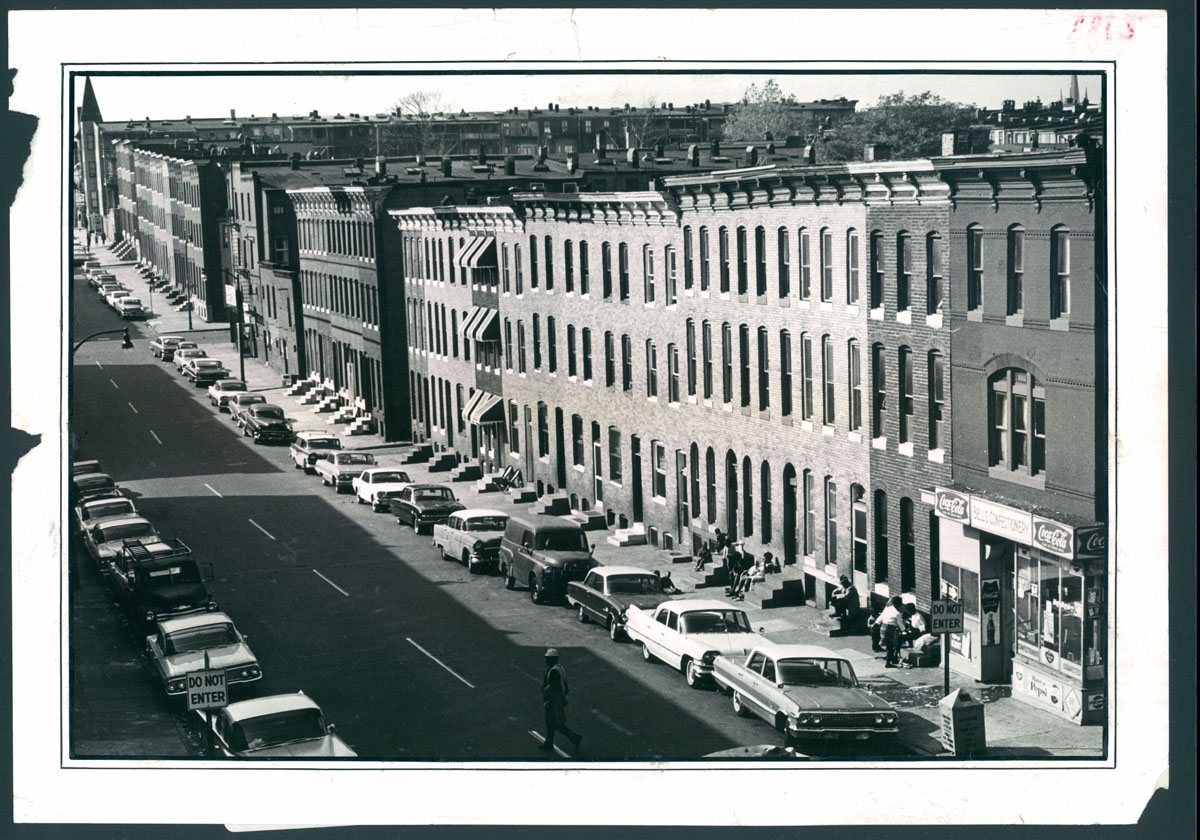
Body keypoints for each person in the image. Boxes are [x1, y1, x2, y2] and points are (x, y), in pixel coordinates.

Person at [539, 649, 582, 755]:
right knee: (551, 723)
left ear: (552, 659)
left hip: (553, 702)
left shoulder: (553, 671)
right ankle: (548, 743)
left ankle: (575, 738)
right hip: (558, 700)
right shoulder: (560, 669)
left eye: (547, 658)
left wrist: (548, 701)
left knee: (556, 723)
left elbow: (554, 688)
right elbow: (565, 686)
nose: (545, 660)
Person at [877, 596, 906, 667]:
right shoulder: (897, 613)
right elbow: (900, 624)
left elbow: (881, 617)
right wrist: (905, 631)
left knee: (888, 646)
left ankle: (891, 659)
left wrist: (876, 623)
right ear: (899, 604)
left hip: (883, 627)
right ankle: (888, 663)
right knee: (891, 646)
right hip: (890, 629)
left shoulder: (887, 609)